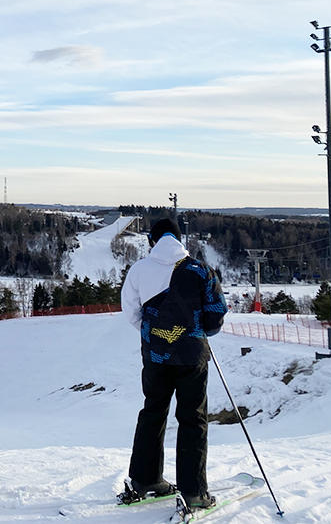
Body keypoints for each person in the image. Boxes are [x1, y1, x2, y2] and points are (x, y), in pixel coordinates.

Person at [121, 218, 227, 510]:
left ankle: (145, 479)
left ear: (152, 241)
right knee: (192, 417)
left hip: (155, 355)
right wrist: (201, 329)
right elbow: (217, 313)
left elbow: (130, 310)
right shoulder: (200, 269)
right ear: (180, 239)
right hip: (192, 354)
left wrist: (153, 334)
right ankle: (194, 491)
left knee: (153, 410)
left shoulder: (139, 269)